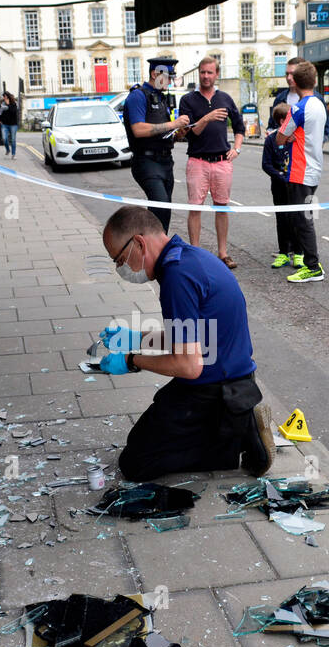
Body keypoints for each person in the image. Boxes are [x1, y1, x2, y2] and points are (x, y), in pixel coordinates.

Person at [97, 205, 277, 480]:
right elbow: (192, 337)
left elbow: (188, 364)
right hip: (232, 377)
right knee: (147, 435)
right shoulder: (189, 258)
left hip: (216, 388)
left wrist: (131, 361)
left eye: (120, 260)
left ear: (139, 243)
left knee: (136, 463)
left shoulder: (176, 278)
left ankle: (239, 438)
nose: (122, 268)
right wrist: (138, 338)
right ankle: (232, 424)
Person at [178, 56, 244, 269]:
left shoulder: (225, 98)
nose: (206, 76)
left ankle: (223, 253)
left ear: (217, 74)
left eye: (210, 72)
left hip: (222, 161)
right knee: (195, 208)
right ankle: (195, 253)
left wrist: (237, 149)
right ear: (199, 74)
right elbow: (191, 133)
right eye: (203, 72)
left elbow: (240, 127)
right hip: (197, 160)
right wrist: (208, 117)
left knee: (222, 207)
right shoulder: (188, 100)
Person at [123, 57, 190, 232]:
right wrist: (173, 124)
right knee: (160, 205)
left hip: (165, 162)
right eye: (167, 77)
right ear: (155, 74)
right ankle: (147, 247)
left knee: (164, 209)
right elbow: (138, 129)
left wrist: (178, 134)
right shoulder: (137, 96)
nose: (170, 81)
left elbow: (163, 133)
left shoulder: (161, 98)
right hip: (146, 162)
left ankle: (157, 250)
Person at [277, 60, 328, 283]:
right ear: (315, 81)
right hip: (314, 169)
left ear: (295, 82)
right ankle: (312, 260)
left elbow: (280, 137)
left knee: (302, 219)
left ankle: (312, 266)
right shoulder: (319, 104)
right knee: (306, 216)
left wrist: (289, 136)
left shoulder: (297, 108)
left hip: (299, 170)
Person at [262, 102, 297, 269]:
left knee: (297, 219)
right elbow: (266, 164)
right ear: (283, 120)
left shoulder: (296, 138)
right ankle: (283, 253)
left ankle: (298, 253)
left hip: (295, 185)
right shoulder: (271, 140)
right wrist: (280, 176)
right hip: (279, 186)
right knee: (282, 219)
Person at [265, 56, 307, 138]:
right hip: (283, 149)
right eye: (287, 74)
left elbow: (323, 132)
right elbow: (272, 125)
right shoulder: (280, 98)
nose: (289, 78)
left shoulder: (315, 99)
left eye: (292, 74)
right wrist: (270, 132)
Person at [0, 91, 19, 158]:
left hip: (13, 124)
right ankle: (7, 150)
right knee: (4, 139)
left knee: (13, 139)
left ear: (8, 97)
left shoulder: (14, 103)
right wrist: (0, 120)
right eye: (4, 97)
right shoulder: (2, 104)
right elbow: (0, 113)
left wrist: (8, 105)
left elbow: (13, 111)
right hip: (4, 124)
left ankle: (13, 154)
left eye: (6, 97)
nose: (4, 98)